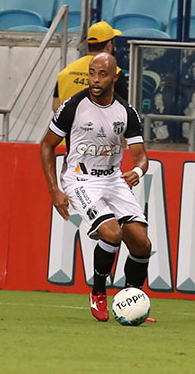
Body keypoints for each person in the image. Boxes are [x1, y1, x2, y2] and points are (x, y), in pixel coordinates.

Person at [40, 52, 154, 323]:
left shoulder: (126, 112)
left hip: (114, 179)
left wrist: (137, 171)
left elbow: (141, 156)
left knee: (142, 244)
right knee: (112, 232)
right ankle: (98, 291)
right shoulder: (73, 107)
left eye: (102, 74)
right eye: (92, 73)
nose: (95, 79)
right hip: (80, 179)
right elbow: (46, 145)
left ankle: (132, 299)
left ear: (115, 77)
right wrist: (54, 190)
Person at [52, 21, 129, 112]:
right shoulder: (115, 73)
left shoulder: (66, 72)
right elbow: (122, 110)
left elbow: (56, 106)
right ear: (109, 45)